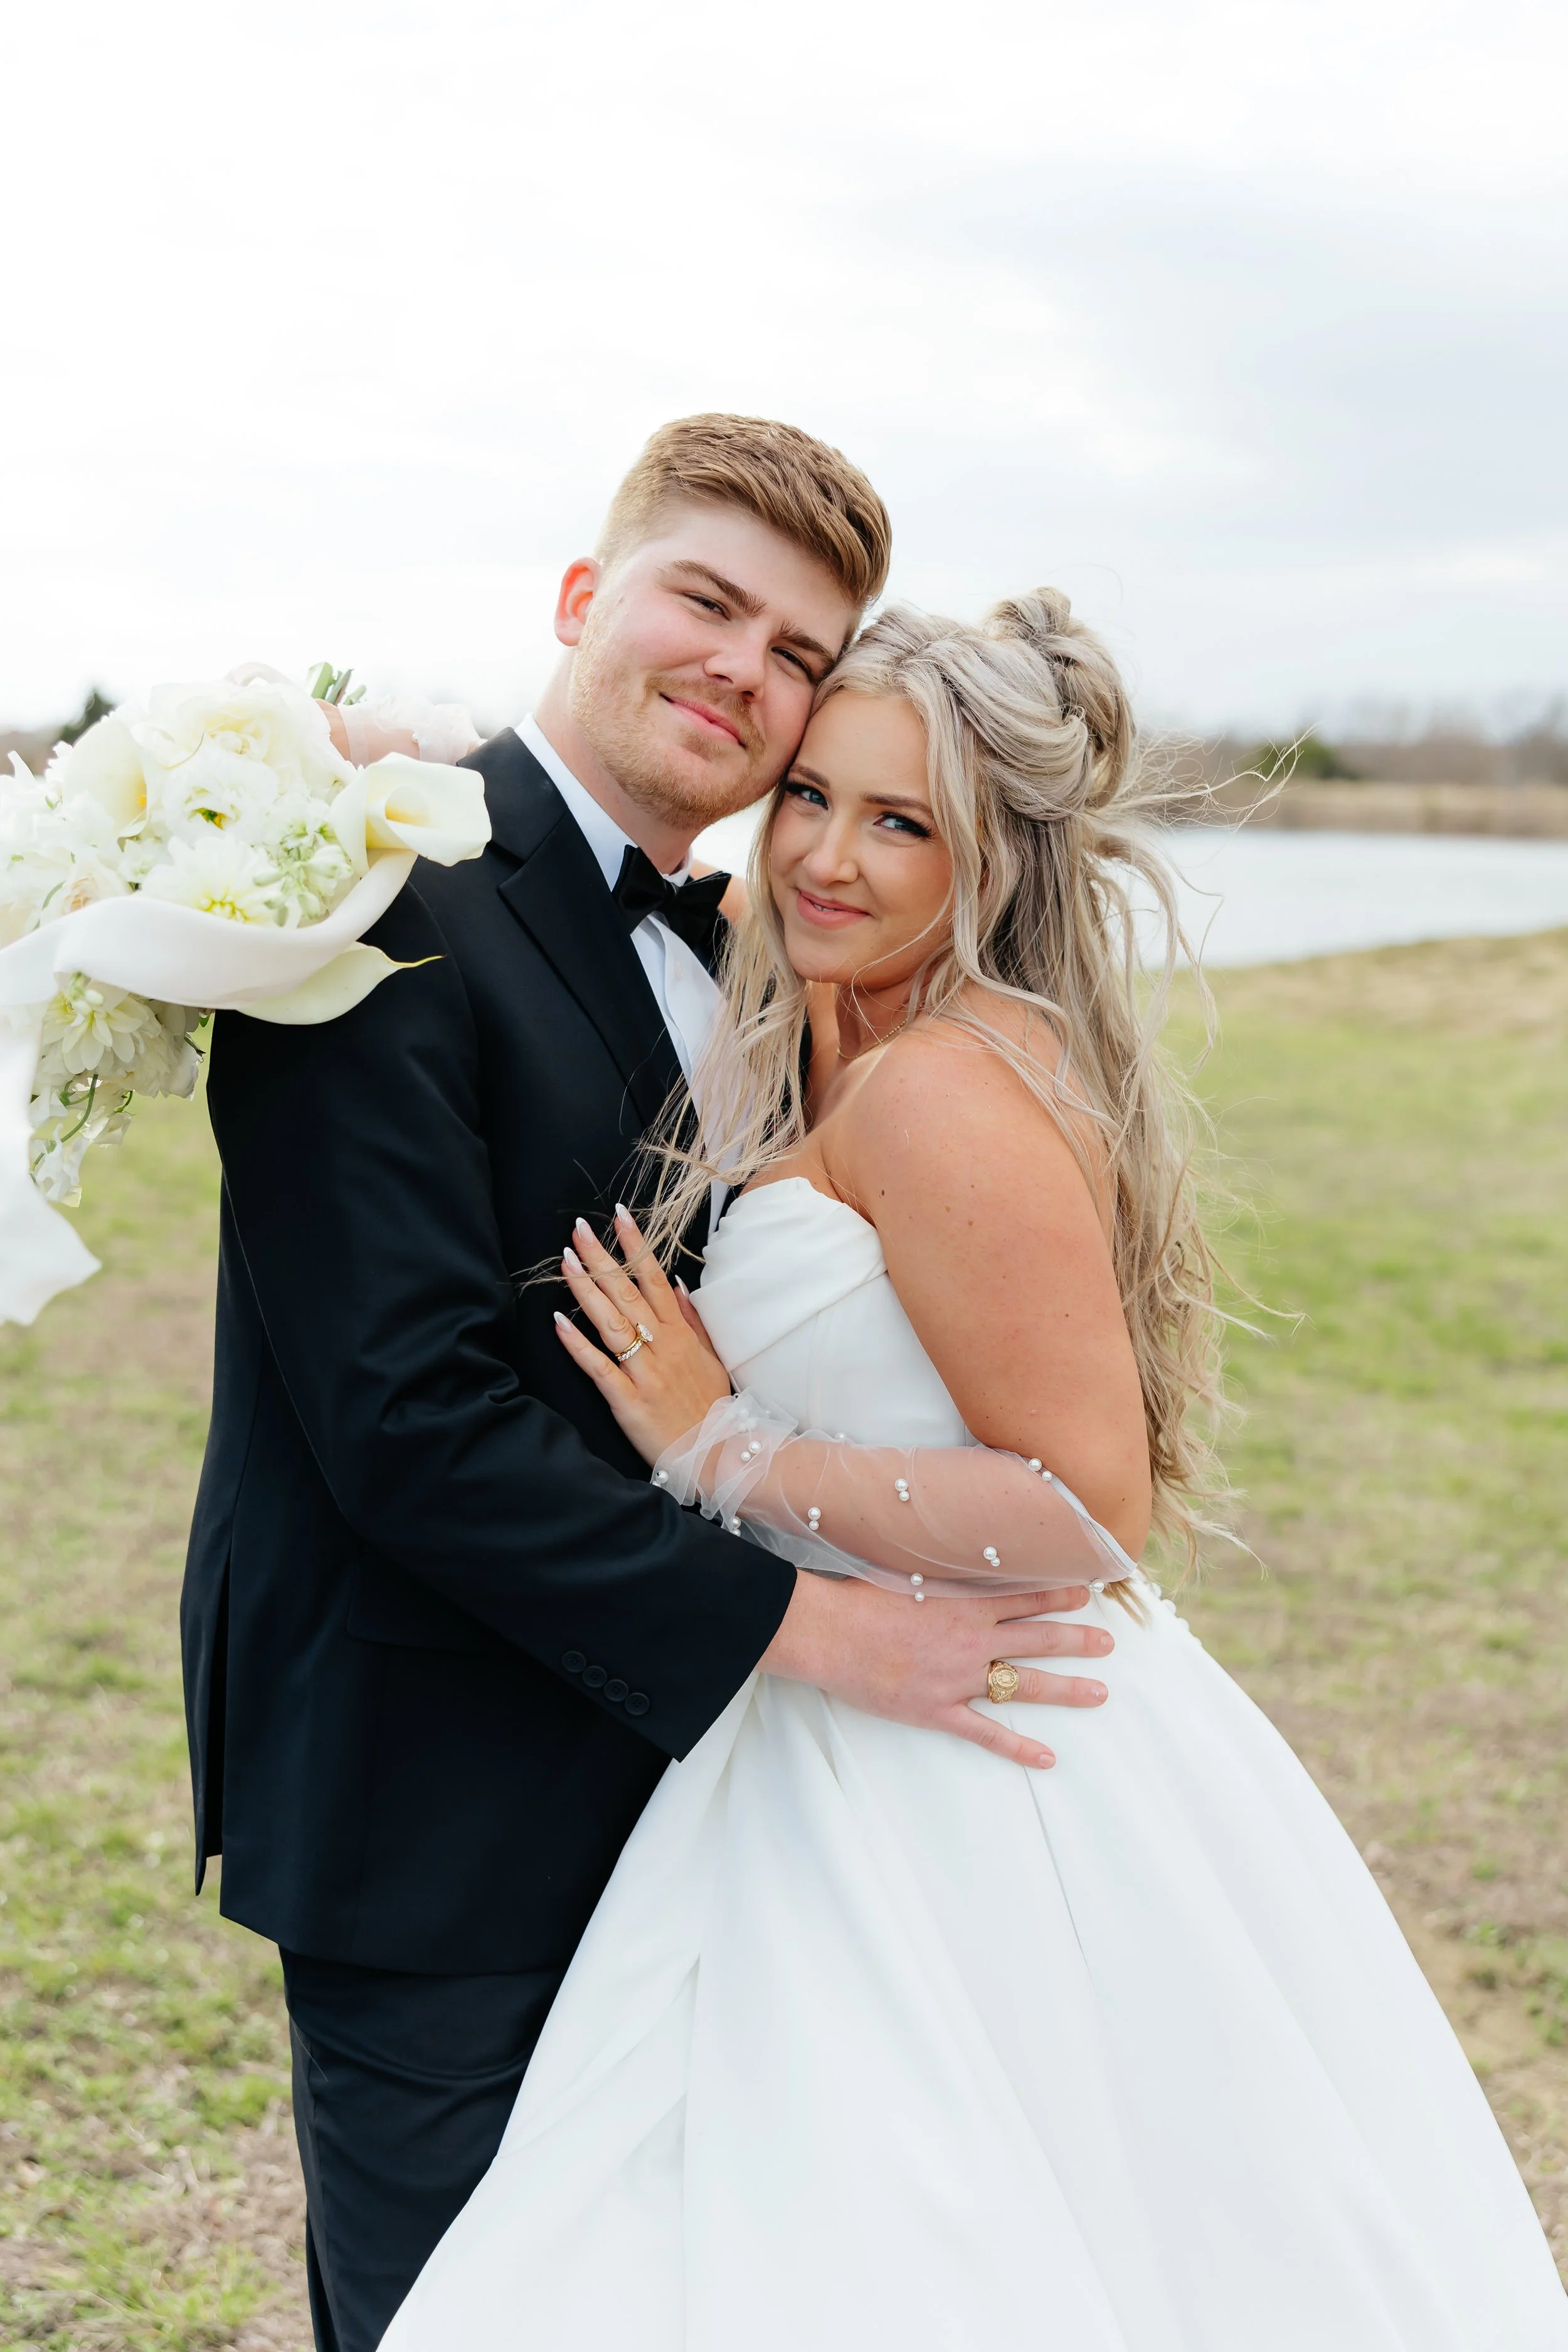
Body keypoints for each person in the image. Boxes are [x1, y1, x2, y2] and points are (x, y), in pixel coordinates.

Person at [382, 593, 1568, 2349]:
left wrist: (722, 1444)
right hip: (835, 1718)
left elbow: (1090, 1505)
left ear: (991, 860)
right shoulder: (848, 1022)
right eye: (810, 798)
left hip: (975, 1741)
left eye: (900, 821)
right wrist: (368, 760)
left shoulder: (938, 1084)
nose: (826, 859)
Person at [180, 418, 1115, 2352]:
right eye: (707, 600)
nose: (743, 671)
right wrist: (808, 1629)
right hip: (432, 1803)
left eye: (793, 652)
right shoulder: (368, 899)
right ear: (585, 597)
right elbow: (406, 1421)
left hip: (703, 1807)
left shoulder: (755, 949)